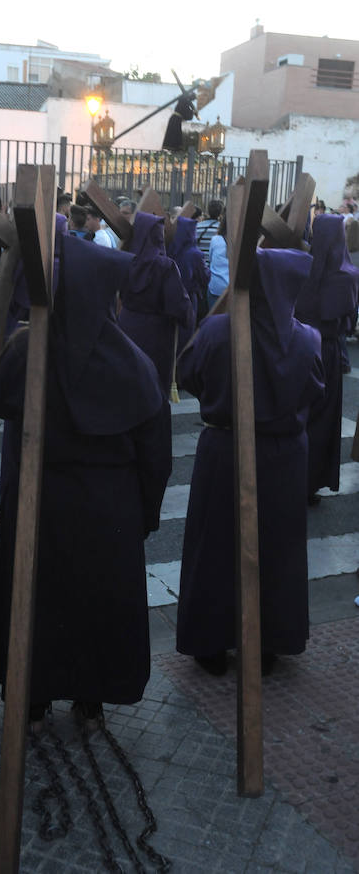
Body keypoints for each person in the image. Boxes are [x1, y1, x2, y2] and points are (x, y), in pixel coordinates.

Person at [0, 235, 172, 729]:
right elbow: (156, 456)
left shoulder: (29, 351)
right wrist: (145, 513)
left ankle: (32, 692)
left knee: (38, 602)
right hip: (106, 509)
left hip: (39, 501)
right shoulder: (135, 363)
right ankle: (91, 695)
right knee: (95, 604)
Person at [176, 248, 325, 675]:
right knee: (276, 547)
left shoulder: (218, 330)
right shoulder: (307, 339)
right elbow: (316, 393)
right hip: (283, 455)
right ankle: (268, 642)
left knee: (215, 545)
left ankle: (210, 641)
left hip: (225, 450)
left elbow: (187, 374)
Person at [295, 214, 359, 501]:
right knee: (322, 419)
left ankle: (289, 477)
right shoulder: (346, 275)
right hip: (328, 350)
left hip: (299, 347)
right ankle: (310, 482)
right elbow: (348, 320)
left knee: (298, 414)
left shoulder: (301, 266)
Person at [118, 211, 194, 397]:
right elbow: (178, 303)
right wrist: (188, 318)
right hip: (156, 333)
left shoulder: (125, 261)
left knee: (130, 383)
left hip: (127, 326)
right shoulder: (165, 266)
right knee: (154, 387)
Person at [168, 215, 210, 340]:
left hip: (171, 295)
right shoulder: (195, 254)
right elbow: (205, 277)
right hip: (189, 298)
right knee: (186, 332)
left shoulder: (171, 248)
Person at [207, 215, 229, 309]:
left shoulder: (215, 239)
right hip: (234, 288)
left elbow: (210, 259)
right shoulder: (242, 241)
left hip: (216, 285)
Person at [196, 199, 224, 264]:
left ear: (208, 211)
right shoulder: (222, 229)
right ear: (220, 213)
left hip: (199, 266)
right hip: (215, 267)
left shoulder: (197, 227)